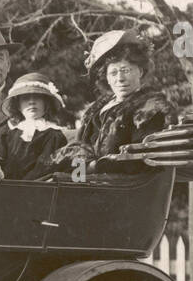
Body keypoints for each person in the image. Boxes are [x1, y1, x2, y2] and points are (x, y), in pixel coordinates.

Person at [55, 29, 176, 173]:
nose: (120, 79)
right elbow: (80, 147)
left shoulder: (151, 108)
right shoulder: (97, 110)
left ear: (140, 72)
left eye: (126, 70)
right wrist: (80, 175)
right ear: (106, 77)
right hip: (92, 181)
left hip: (125, 186)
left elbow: (143, 160)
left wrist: (94, 168)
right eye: (113, 73)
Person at [0, 72, 70, 180]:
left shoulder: (53, 135)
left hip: (36, 188)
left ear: (46, 103)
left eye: (37, 98)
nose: (31, 102)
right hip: (5, 187)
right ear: (18, 105)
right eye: (25, 98)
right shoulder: (6, 133)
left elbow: (45, 168)